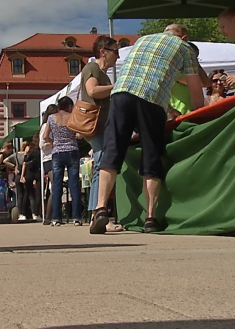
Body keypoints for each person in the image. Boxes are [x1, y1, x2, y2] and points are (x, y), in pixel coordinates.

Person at [91, 24, 204, 235]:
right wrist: (201, 111)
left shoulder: (143, 39)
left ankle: (100, 209)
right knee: (151, 157)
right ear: (184, 36)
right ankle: (151, 218)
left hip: (121, 92)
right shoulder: (185, 48)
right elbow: (196, 92)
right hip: (152, 100)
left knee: (112, 152)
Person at [80, 35, 124, 233]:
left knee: (100, 165)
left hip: (99, 125)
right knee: (102, 164)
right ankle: (99, 215)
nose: (118, 55)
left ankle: (95, 216)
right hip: (95, 125)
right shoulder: (93, 68)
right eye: (115, 51)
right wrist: (115, 87)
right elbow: (92, 91)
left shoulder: (101, 72)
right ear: (103, 51)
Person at [43, 97, 82, 227]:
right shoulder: (72, 116)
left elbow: (44, 136)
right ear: (69, 106)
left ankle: (56, 218)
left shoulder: (51, 118)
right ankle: (76, 217)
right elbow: (79, 135)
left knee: (57, 186)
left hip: (57, 153)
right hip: (72, 151)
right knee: (74, 185)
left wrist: (52, 142)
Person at [39, 105, 57, 225]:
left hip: (52, 158)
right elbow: (42, 145)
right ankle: (49, 216)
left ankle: (52, 216)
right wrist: (54, 143)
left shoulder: (49, 126)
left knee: (55, 187)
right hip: (49, 159)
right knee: (55, 187)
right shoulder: (46, 126)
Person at [20, 134, 41, 221]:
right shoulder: (40, 149)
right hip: (38, 171)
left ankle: (23, 213)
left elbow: (25, 161)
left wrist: (22, 175)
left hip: (29, 171)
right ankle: (36, 213)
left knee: (28, 193)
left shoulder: (28, 148)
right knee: (38, 193)